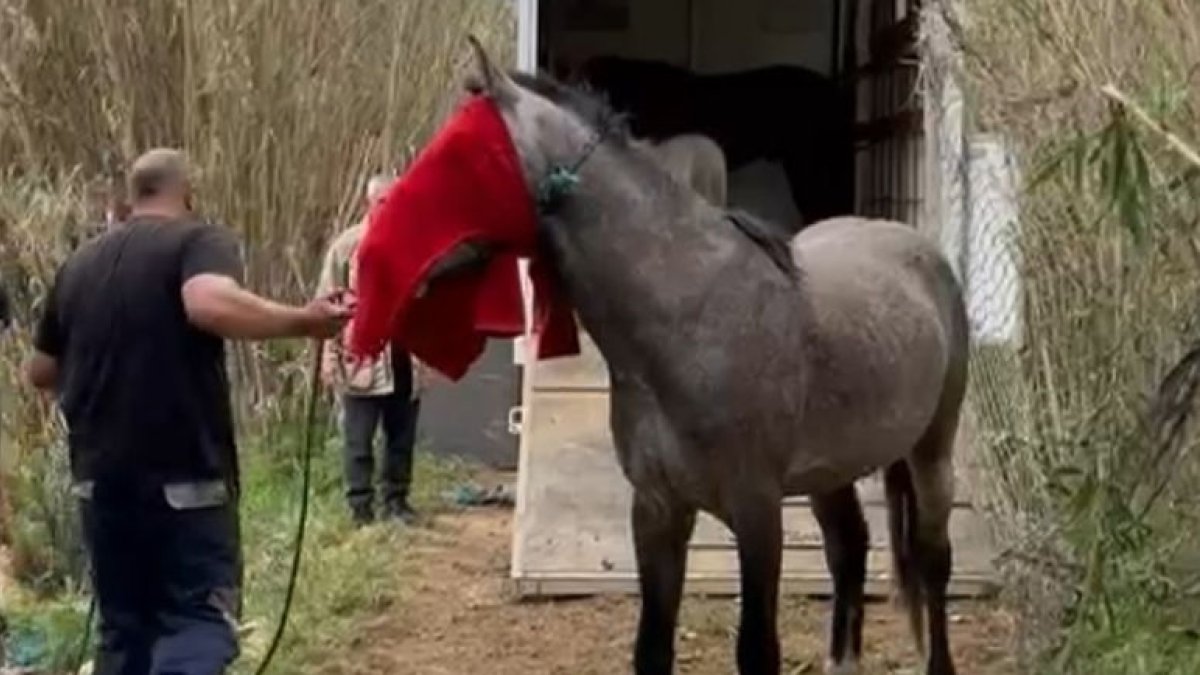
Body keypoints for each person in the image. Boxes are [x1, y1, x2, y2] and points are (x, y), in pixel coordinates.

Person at [26, 148, 351, 675]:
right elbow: (208, 303)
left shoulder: (79, 264)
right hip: (183, 480)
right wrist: (304, 321)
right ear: (187, 193)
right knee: (196, 623)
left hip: (100, 483)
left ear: (133, 196)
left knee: (123, 633)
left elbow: (41, 371)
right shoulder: (196, 240)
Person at [316, 174, 431, 526]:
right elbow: (327, 302)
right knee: (359, 437)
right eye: (383, 202)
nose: (390, 208)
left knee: (401, 435)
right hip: (361, 353)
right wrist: (327, 356)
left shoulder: (415, 242)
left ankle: (396, 500)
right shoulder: (347, 246)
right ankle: (360, 507)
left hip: (405, 351)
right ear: (369, 203)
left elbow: (429, 301)